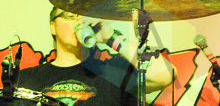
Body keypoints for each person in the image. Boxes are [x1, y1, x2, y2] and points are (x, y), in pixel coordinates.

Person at [16, 7, 176, 106]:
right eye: (70, 15)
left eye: (83, 16)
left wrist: (111, 38)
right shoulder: (25, 79)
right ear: (53, 27)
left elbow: (165, 75)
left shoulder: (114, 69)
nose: (79, 21)